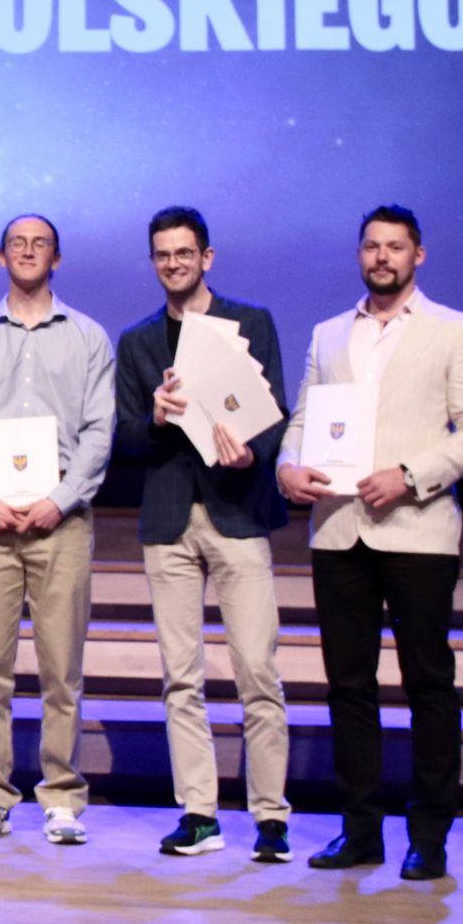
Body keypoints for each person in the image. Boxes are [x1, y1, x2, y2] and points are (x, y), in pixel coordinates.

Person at [278, 204, 463, 880]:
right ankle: (360, 828)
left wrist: (410, 476)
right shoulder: (328, 333)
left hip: (418, 529)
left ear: (417, 255)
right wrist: (288, 466)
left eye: (395, 247)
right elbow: (304, 419)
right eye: (372, 246)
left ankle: (428, 834)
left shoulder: (456, 329)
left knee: (428, 682)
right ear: (359, 255)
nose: (382, 257)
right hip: (338, 529)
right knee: (349, 685)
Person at [111, 206, 292, 861]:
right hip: (169, 520)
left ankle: (270, 817)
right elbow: (125, 437)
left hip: (237, 511)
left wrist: (250, 455)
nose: (173, 263)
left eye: (184, 253)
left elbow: (275, 414)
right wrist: (156, 419)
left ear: (206, 257)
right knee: (180, 677)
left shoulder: (251, 322)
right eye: (163, 254)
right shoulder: (137, 340)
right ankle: (199, 813)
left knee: (257, 671)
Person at [0, 215, 115, 846]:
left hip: (61, 522)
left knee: (61, 669)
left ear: (56, 259)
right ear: (1, 257)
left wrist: (61, 499)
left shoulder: (89, 337)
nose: (27, 251)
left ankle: (62, 797)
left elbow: (99, 431)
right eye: (17, 243)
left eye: (40, 244)